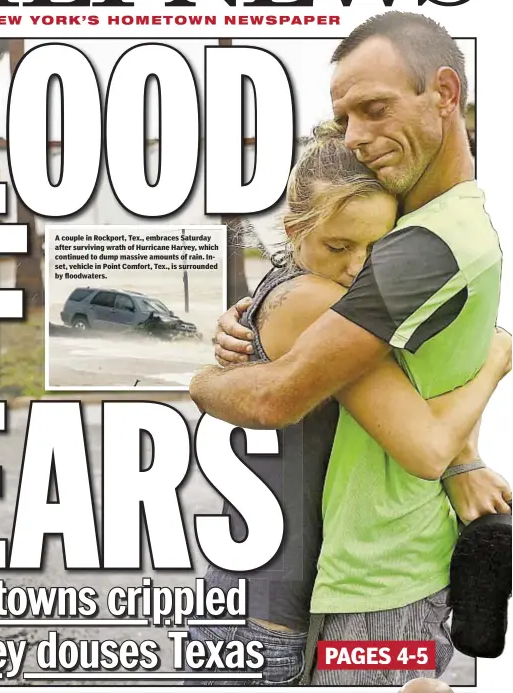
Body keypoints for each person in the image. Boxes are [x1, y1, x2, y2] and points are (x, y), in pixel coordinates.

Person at [189, 11, 511, 685]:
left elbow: (406, 387)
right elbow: (413, 436)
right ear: (296, 228)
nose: (359, 267)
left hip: (272, 602)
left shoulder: (305, 280)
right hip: (267, 618)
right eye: (340, 247)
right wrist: (496, 357)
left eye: (375, 248)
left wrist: (465, 461)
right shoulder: (314, 299)